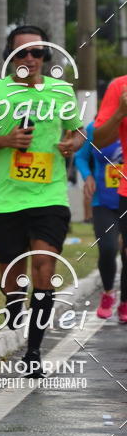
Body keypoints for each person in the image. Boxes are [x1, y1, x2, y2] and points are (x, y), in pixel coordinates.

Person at [0, 25, 84, 376]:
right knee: (11, 278)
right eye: (21, 53)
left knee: (44, 270)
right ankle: (14, 305)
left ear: (45, 56)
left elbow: (76, 130)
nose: (30, 59)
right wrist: (7, 141)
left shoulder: (62, 92)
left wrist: (70, 145)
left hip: (49, 195)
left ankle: (33, 353)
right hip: (6, 200)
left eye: (37, 52)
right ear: (10, 57)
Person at [75, 120, 127, 321]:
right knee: (107, 248)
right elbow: (80, 157)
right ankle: (107, 292)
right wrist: (88, 176)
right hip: (103, 201)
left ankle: (125, 302)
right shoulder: (95, 128)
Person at [93, 73, 127, 322]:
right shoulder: (120, 87)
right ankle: (113, 295)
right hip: (108, 198)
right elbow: (98, 141)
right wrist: (120, 112)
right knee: (109, 249)